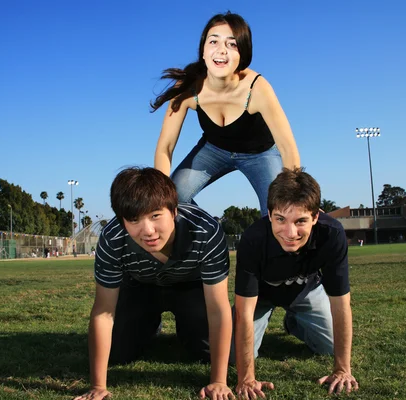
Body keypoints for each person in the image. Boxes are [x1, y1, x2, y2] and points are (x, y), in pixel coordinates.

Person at [75, 167, 234, 400]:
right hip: (141, 287)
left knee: (210, 351)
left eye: (155, 216)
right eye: (134, 220)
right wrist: (98, 386)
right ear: (122, 220)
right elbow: (103, 311)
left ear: (174, 210)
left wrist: (219, 381)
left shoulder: (206, 231)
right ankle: (150, 325)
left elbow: (219, 309)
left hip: (190, 287)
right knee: (117, 352)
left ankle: (187, 327)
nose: (148, 230)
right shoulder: (112, 238)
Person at [151, 12, 300, 215]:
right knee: (171, 198)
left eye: (232, 44)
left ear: (243, 55)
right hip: (213, 150)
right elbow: (165, 147)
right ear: (203, 50)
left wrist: (293, 195)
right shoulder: (188, 87)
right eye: (214, 41)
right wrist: (160, 192)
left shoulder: (257, 88)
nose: (221, 51)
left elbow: (288, 148)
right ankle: (208, 230)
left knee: (280, 210)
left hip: (260, 154)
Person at [233, 168, 359, 398]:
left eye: (301, 220)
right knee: (234, 355)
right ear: (269, 214)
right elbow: (243, 312)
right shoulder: (253, 239)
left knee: (329, 347)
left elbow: (341, 304)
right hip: (260, 296)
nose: (290, 232)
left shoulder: (331, 234)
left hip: (305, 289)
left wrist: (342, 369)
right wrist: (246, 378)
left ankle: (294, 323)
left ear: (316, 217)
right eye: (280, 219)